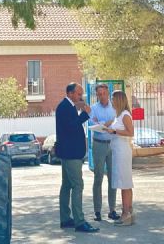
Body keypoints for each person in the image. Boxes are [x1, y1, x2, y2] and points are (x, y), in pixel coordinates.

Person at [55, 83, 99, 233]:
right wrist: (85, 115)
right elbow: (70, 127)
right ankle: (79, 222)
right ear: (70, 93)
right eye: (79, 94)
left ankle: (66, 219)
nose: (81, 97)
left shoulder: (68, 106)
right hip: (71, 154)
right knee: (77, 185)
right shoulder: (64, 107)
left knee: (67, 185)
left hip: (70, 153)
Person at [89, 84, 120, 222]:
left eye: (104, 93)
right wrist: (106, 124)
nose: (102, 96)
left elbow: (117, 124)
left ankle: (112, 210)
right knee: (98, 178)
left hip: (112, 145)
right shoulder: (93, 108)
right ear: (97, 95)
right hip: (99, 145)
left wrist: (104, 124)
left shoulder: (115, 108)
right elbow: (93, 125)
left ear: (108, 93)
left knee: (112, 178)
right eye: (99, 94)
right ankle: (97, 211)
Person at [105, 90, 135, 226]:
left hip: (123, 151)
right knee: (124, 182)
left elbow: (130, 132)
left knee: (124, 183)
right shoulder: (119, 115)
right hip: (118, 151)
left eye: (113, 98)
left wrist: (115, 131)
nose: (111, 101)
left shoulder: (125, 115)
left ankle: (125, 213)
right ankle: (129, 212)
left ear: (119, 100)